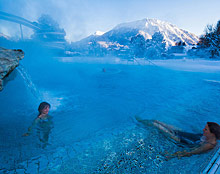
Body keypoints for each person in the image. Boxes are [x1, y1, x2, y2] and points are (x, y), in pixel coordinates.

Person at [135, 116, 220, 159]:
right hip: (194, 137)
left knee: (157, 126)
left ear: (212, 134)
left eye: (205, 129)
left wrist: (172, 155)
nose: (203, 129)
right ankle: (142, 121)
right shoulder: (208, 136)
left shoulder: (208, 145)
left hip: (187, 142)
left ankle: (138, 121)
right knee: (157, 121)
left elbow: (191, 152)